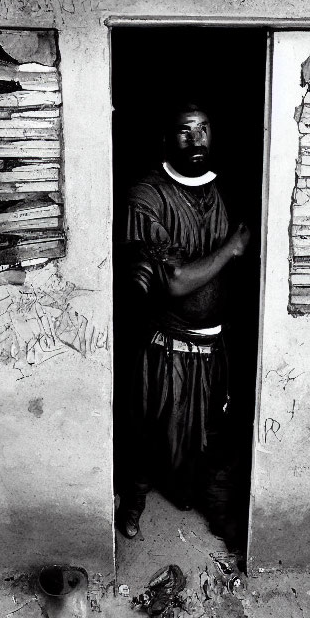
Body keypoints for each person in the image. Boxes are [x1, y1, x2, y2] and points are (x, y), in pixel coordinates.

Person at [115, 104, 250, 540]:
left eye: (204, 129)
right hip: (163, 343)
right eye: (184, 131)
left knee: (210, 429)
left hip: (215, 343)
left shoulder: (231, 190)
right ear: (166, 139)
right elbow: (172, 281)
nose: (196, 140)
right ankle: (133, 501)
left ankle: (194, 492)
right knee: (147, 427)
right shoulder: (147, 194)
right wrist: (230, 249)